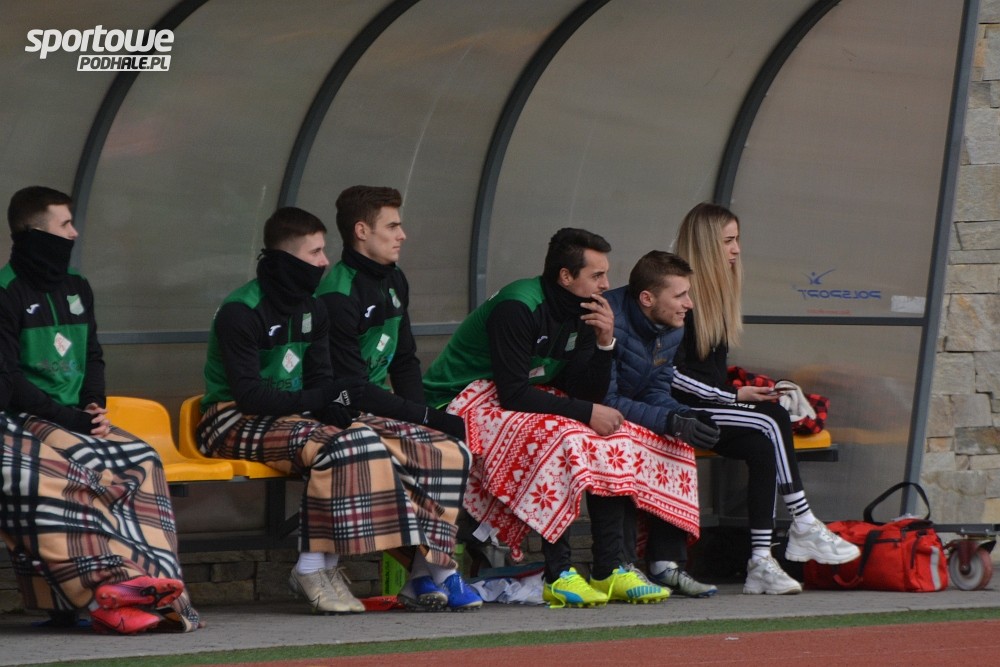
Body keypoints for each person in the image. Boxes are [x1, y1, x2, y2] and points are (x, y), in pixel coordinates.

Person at [197, 206, 480, 614]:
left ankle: (429, 566)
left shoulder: (313, 309)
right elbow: (251, 398)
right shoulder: (240, 310)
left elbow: (321, 382)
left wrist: (333, 405)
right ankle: (313, 567)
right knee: (350, 444)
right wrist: (323, 401)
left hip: (295, 417)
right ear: (286, 258)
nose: (324, 261)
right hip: (229, 420)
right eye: (314, 252)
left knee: (443, 447)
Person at [424, 228, 700, 608]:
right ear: (566, 276)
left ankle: (611, 567)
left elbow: (584, 391)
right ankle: (558, 574)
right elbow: (513, 393)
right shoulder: (518, 306)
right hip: (460, 400)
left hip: (512, 400)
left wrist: (604, 343)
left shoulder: (586, 311)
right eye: (596, 275)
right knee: (565, 436)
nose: (606, 285)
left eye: (605, 274)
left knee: (615, 435)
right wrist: (586, 412)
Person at [0, 186, 200, 633]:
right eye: (65, 224)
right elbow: (9, 381)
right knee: (81, 468)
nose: (74, 233)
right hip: (29, 418)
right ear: (35, 234)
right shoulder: (5, 291)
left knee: (144, 459)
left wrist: (94, 406)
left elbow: (93, 355)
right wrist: (73, 419)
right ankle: (110, 589)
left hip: (74, 417)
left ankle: (160, 589)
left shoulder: (77, 287)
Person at [671, 202, 860, 595]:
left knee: (763, 445)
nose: (737, 249)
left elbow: (709, 371)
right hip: (680, 412)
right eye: (728, 241)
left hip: (711, 406)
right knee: (772, 417)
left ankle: (760, 560)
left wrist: (742, 390)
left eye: (737, 239)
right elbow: (672, 375)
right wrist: (732, 394)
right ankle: (803, 521)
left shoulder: (717, 296)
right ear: (706, 245)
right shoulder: (678, 295)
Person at [602, 250, 719, 598]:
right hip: (594, 414)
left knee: (676, 441)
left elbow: (656, 388)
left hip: (628, 412)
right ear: (647, 298)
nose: (689, 304)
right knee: (624, 445)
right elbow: (605, 400)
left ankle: (666, 564)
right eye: (680, 295)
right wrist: (668, 419)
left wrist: (683, 416)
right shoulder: (609, 319)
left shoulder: (671, 327)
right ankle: (623, 565)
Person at [315, 185, 463, 439]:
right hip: (345, 410)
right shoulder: (338, 295)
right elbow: (355, 389)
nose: (402, 235)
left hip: (379, 406)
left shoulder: (394, 277)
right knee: (441, 450)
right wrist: (425, 418)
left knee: (454, 443)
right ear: (362, 231)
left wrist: (425, 420)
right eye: (392, 227)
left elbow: (404, 361)